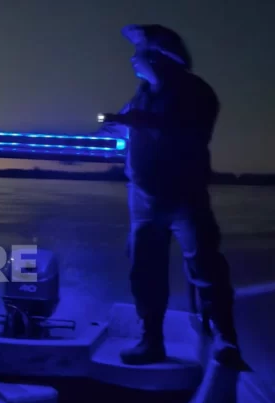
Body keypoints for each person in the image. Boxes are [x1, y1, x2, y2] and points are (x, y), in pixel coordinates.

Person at [98, 25, 242, 367]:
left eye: (138, 51)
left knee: (205, 264)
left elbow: (187, 129)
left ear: (158, 56)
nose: (132, 59)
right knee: (144, 270)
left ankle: (225, 338)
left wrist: (138, 121)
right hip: (143, 201)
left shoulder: (196, 92)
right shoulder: (141, 95)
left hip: (185, 196)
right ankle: (151, 340)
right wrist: (115, 126)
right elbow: (129, 125)